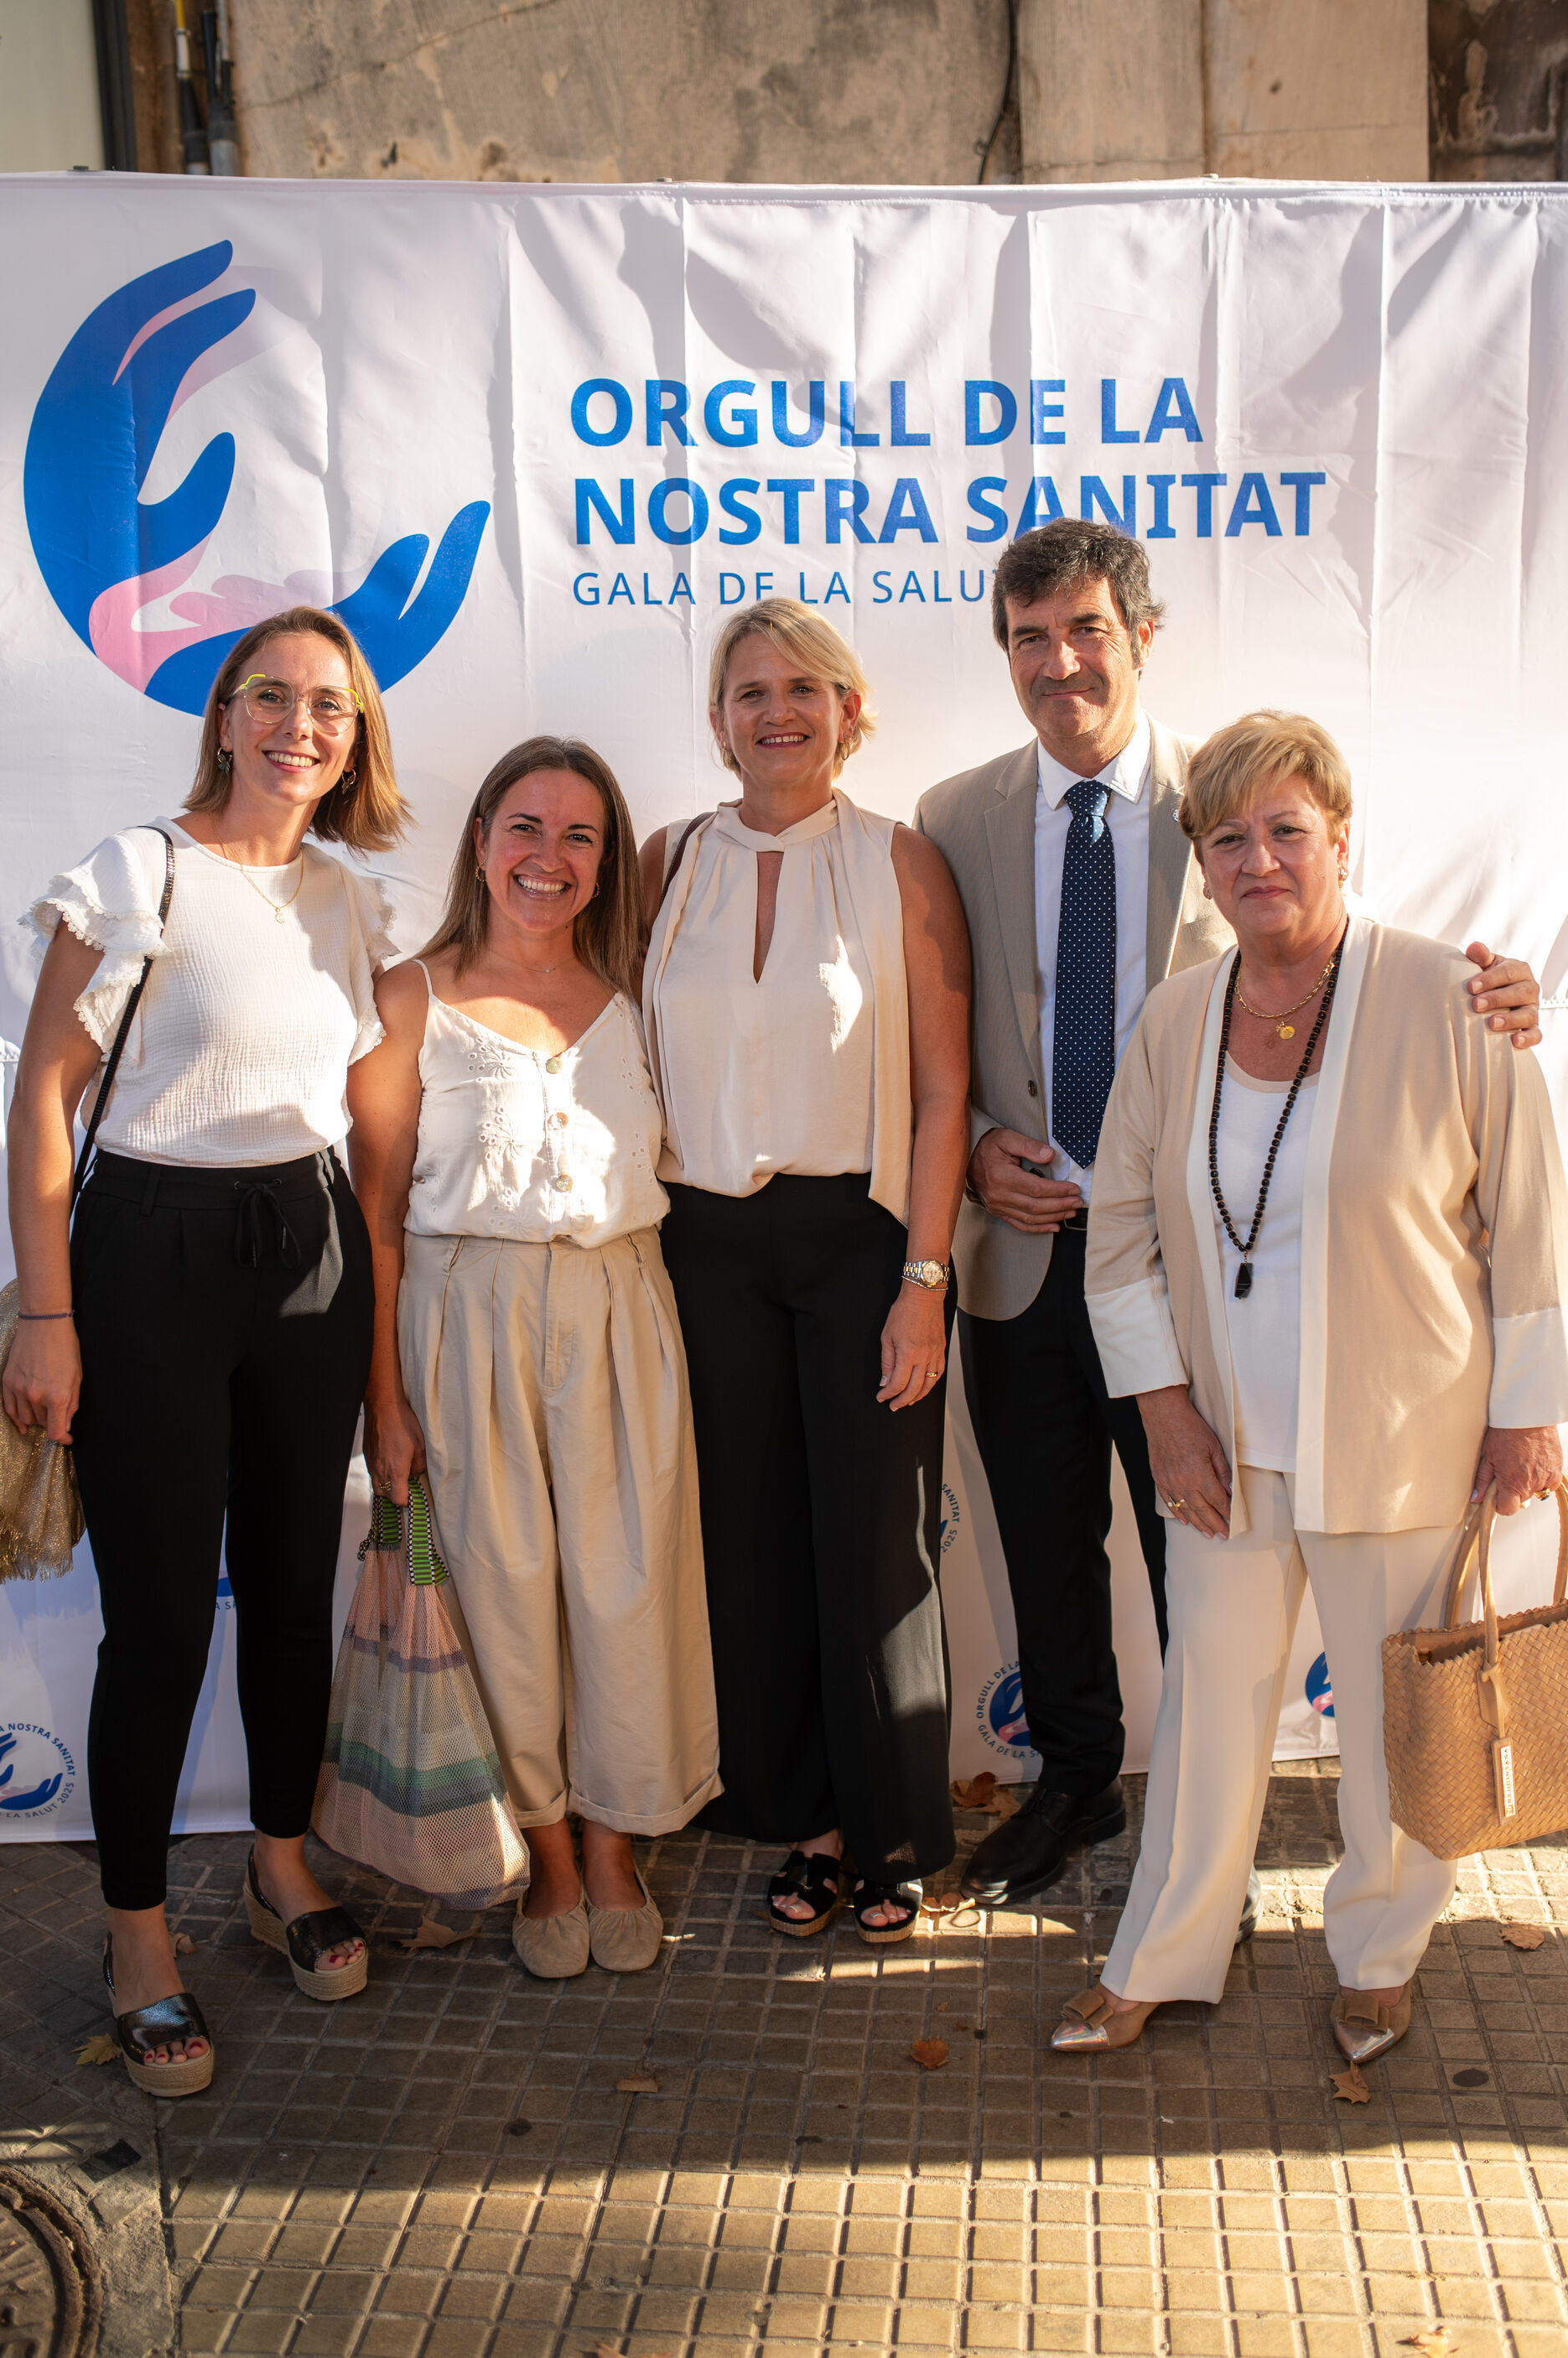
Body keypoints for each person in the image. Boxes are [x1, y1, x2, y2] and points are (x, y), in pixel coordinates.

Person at [913, 518, 1545, 1916]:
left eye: (1087, 630)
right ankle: (1075, 1780)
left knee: (1201, 1563)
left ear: (1142, 637)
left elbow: (1332, 952)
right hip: (1024, 1255)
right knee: (1043, 1545)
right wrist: (973, 1157)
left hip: (1200, 1271)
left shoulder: (1228, 794)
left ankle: (1213, 1839)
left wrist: (1491, 995)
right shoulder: (952, 816)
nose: (1060, 664)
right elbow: (928, 1032)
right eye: (1029, 638)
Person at [1050, 709, 1568, 2057]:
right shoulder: (1175, 1018)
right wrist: (1164, 1413)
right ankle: (1164, 1951)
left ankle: (1382, 1952)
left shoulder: (1455, 999)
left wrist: (1525, 1415)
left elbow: (1529, 1222)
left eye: (1287, 829)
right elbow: (1119, 1232)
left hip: (1403, 1430)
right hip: (1221, 1442)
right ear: (1204, 868)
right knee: (1207, 1713)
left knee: (1396, 1727)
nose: (1259, 859)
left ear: (1341, 838)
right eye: (1229, 839)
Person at [3, 607, 398, 2094]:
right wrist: (50, 1315)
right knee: (161, 1625)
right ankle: (136, 1935)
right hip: (147, 1263)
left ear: (356, 741)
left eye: (330, 707)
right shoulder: (135, 873)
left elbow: (368, 1127)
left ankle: (281, 1866)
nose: (301, 727)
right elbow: (44, 1105)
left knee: (293, 1598)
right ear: (225, 714)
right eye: (273, 697)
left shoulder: (352, 902)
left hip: (310, 1252)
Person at [349, 737, 719, 1980]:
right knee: (500, 1590)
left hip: (621, 1303)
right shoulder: (410, 998)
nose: (547, 857)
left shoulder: (642, 994)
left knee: (627, 1585)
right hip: (464, 1313)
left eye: (578, 836)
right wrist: (383, 1397)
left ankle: (616, 1844)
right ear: (479, 841)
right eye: (525, 826)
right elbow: (377, 1212)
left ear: (605, 863)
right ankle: (547, 1854)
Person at [640, 600, 971, 1944]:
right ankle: (806, 1822)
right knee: (750, 1540)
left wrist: (924, 1281)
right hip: (700, 1246)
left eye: (802, 689)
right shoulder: (665, 861)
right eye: (750, 692)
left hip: (863, 1242)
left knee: (879, 1547)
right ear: (719, 722)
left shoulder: (902, 861)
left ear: (848, 710)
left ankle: (888, 1830)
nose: (776, 712)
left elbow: (944, 1092)